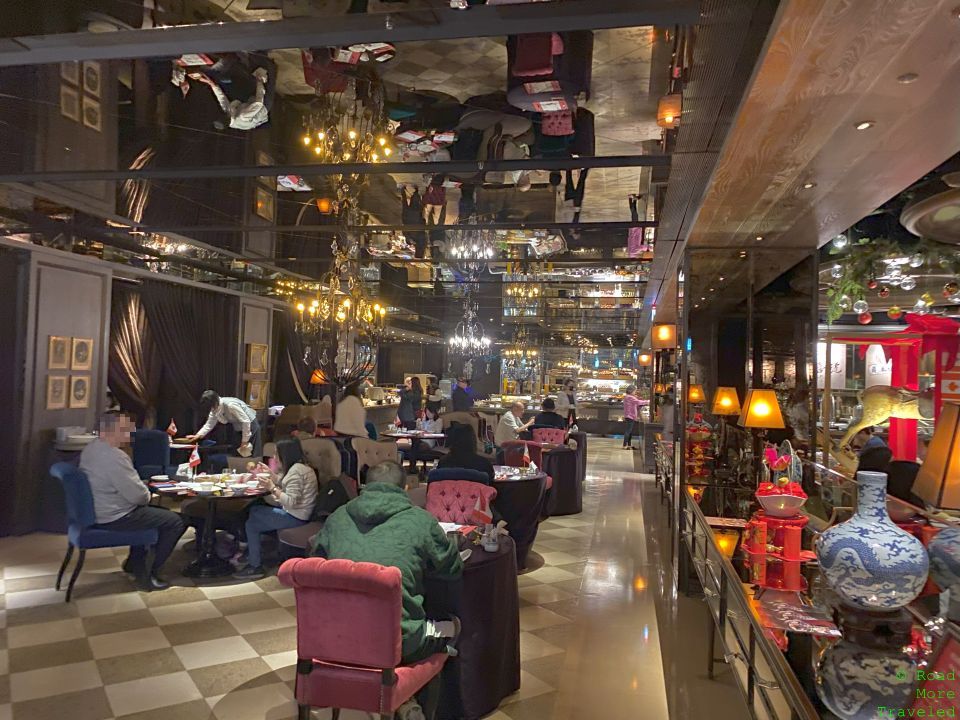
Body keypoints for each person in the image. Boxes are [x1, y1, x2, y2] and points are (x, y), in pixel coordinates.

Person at [310, 461, 462, 664]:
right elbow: (452, 569)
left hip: (335, 635)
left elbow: (313, 564)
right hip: (400, 642)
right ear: (405, 487)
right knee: (454, 625)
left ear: (365, 485)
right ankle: (421, 692)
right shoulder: (422, 521)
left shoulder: (336, 518)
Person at [79, 412, 186, 591]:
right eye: (124, 429)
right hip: (116, 515)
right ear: (108, 431)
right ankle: (148, 572)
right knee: (175, 521)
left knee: (156, 514)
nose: (129, 434)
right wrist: (145, 490)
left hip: (98, 509)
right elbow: (139, 497)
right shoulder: (114, 456)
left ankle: (134, 563)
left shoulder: (91, 449)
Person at [235, 438, 318, 579]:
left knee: (252, 519)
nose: (274, 457)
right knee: (253, 515)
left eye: (276, 454)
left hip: (296, 517)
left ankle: (255, 564)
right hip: (298, 513)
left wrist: (271, 488)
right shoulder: (299, 467)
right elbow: (285, 483)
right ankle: (254, 555)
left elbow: (290, 502)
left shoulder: (296, 472)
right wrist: (271, 474)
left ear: (285, 454)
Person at [185, 390, 262, 457]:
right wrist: (197, 436)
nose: (212, 409)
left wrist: (244, 441)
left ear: (215, 401)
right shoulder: (214, 408)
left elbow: (246, 421)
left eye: (212, 406)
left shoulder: (230, 405)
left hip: (251, 427)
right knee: (238, 455)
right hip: (238, 429)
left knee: (252, 456)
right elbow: (209, 424)